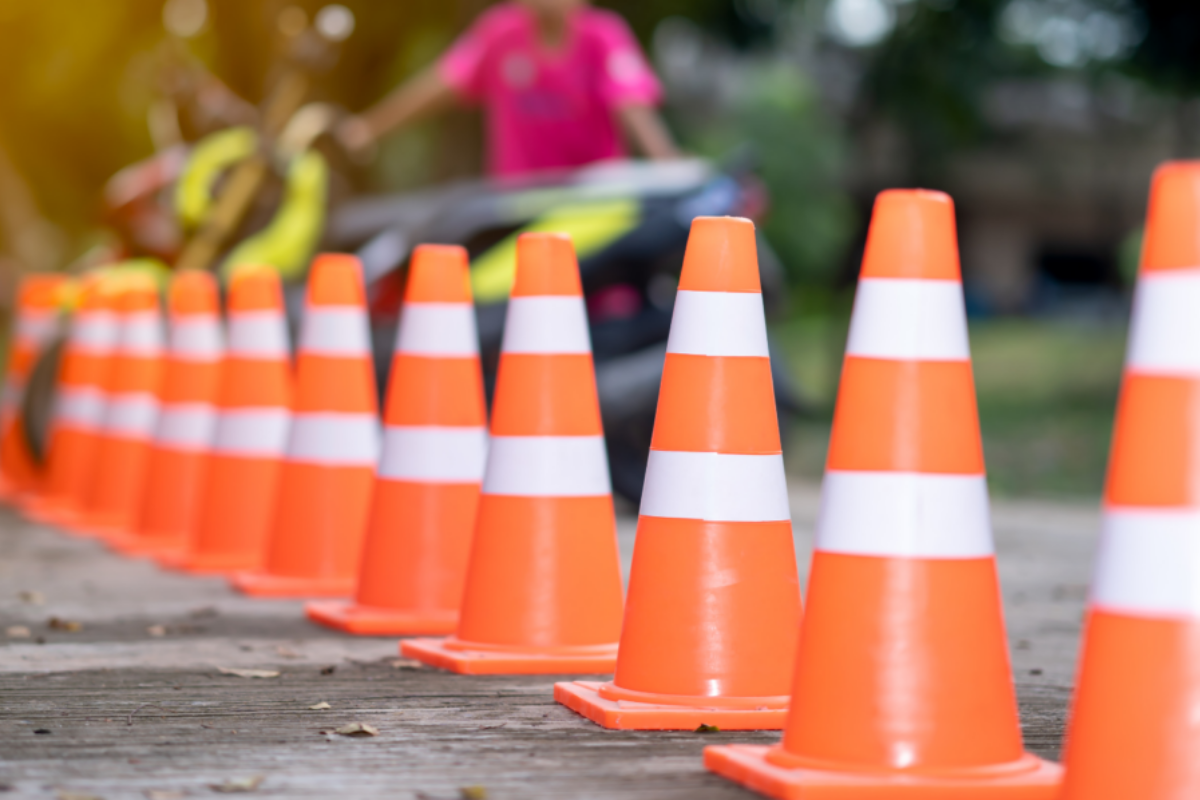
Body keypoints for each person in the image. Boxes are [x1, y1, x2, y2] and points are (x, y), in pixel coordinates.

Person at [336, 0, 680, 177]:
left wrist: (669, 168)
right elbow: (437, 86)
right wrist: (366, 129)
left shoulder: (604, 37)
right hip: (517, 215)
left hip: (591, 214)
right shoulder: (499, 34)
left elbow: (635, 110)